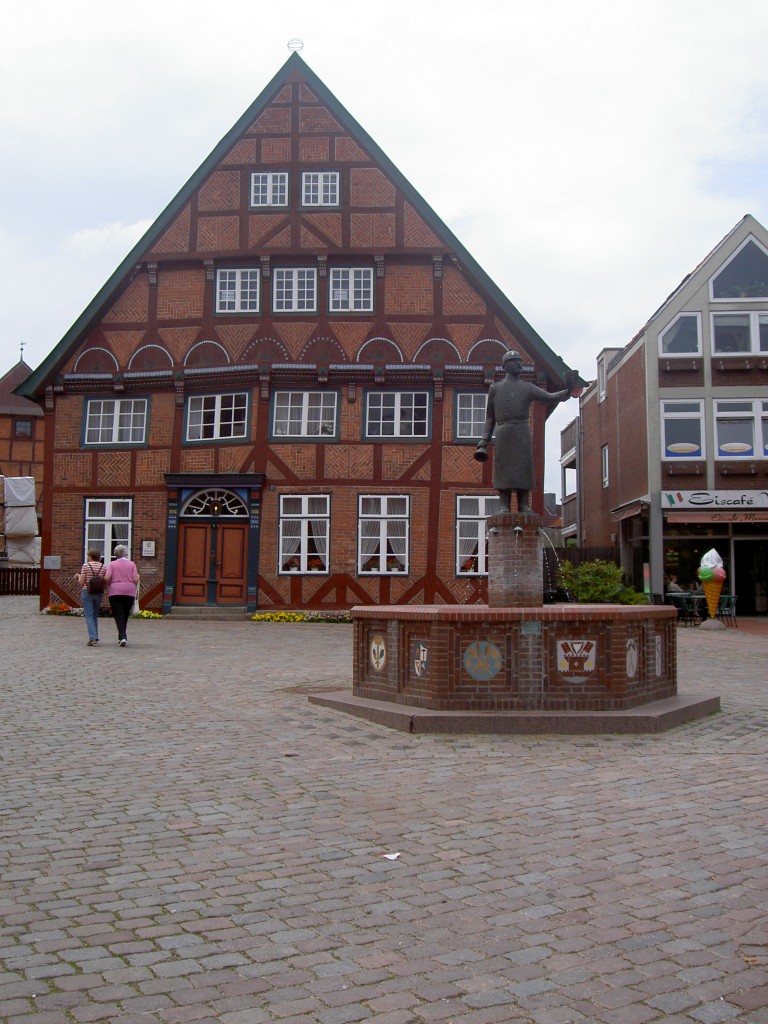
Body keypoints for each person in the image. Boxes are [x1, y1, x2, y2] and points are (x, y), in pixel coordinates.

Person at [474, 350, 579, 512]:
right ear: (505, 366)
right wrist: (484, 440)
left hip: (521, 432)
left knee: (524, 467)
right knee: (504, 468)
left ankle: (524, 504)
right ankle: (504, 504)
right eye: (515, 361)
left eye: (520, 361)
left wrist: (567, 391)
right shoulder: (496, 389)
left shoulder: (527, 387)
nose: (519, 364)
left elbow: (550, 397)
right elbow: (490, 417)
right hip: (503, 432)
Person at [104, 544, 140, 647]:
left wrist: (107, 585)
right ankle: (122, 636)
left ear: (115, 554)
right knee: (125, 614)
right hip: (129, 591)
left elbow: (107, 578)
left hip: (115, 591)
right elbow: (135, 580)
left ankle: (123, 636)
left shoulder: (112, 564)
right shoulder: (132, 564)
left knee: (118, 614)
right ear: (125, 553)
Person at [76, 549, 107, 646]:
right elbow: (105, 581)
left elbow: (81, 582)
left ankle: (92, 637)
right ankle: (95, 636)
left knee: (89, 614)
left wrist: (78, 577)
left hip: (87, 591)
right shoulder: (103, 567)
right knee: (94, 615)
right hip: (99, 592)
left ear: (90, 556)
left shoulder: (86, 566)